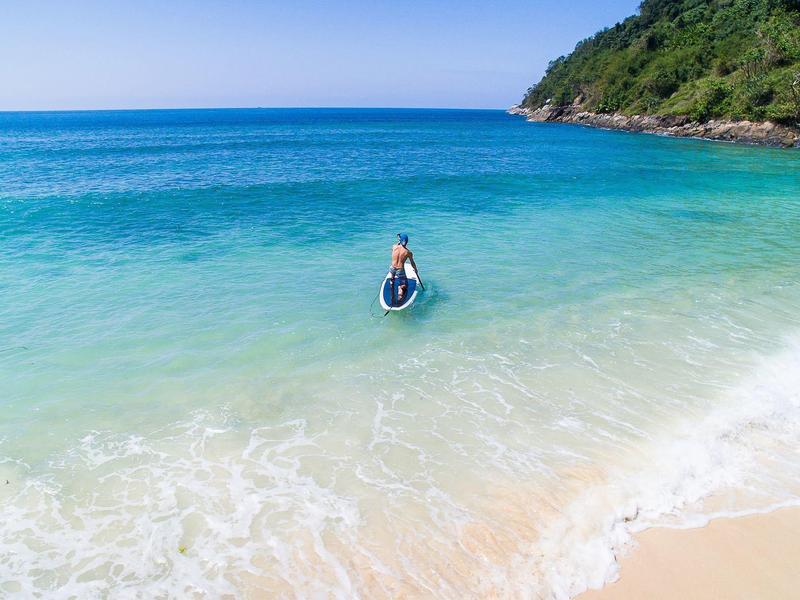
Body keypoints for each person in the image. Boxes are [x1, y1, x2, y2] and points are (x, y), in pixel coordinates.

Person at [389, 233, 419, 304]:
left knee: (392, 278)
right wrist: (416, 270)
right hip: (400, 270)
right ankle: (400, 289)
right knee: (405, 285)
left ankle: (392, 282)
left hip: (392, 268)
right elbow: (412, 263)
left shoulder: (394, 246)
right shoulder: (408, 252)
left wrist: (399, 241)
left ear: (400, 240)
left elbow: (397, 247)